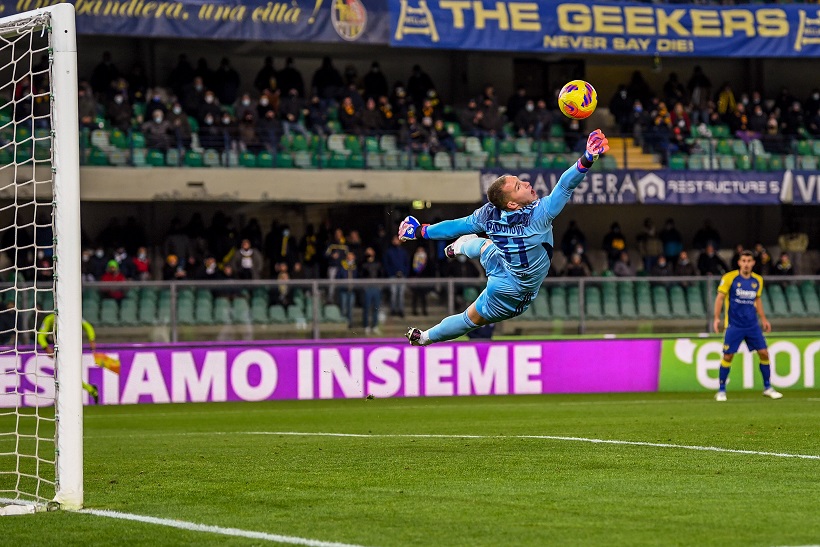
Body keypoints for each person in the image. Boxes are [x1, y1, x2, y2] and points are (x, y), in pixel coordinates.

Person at [399, 129, 609, 345]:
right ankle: (425, 337)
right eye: (519, 186)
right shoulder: (541, 213)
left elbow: (456, 226)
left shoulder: (488, 214)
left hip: (501, 266)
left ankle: (425, 332)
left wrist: (420, 231)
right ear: (512, 203)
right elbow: (565, 185)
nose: (526, 183)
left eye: (520, 181)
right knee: (470, 318)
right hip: (515, 291)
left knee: (484, 248)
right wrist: (586, 159)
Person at [712, 250, 783, 402]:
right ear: (739, 262)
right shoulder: (729, 278)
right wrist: (716, 318)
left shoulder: (757, 280)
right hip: (734, 325)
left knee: (764, 353)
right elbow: (720, 298)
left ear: (753, 263)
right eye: (743, 261)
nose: (746, 264)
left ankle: (768, 387)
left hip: (752, 325)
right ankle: (721, 390)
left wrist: (764, 319)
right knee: (728, 356)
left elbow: (757, 300)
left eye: (749, 261)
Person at [37, 312, 104, 404]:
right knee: (69, 375)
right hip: (60, 350)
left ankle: (85, 392)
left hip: (73, 350)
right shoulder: (50, 319)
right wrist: (46, 347)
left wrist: (91, 339)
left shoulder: (73, 315)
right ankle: (91, 389)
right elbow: (41, 335)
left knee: (67, 375)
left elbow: (87, 326)